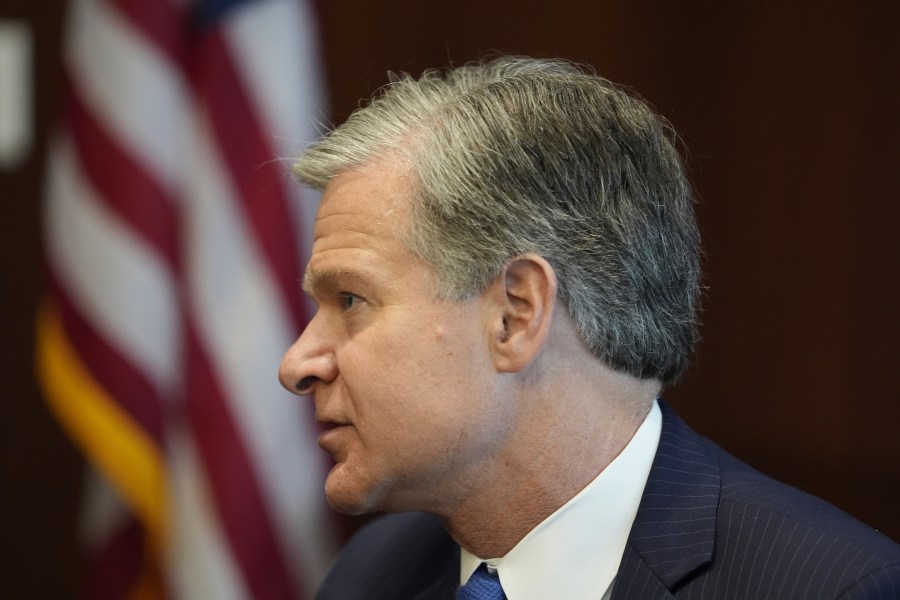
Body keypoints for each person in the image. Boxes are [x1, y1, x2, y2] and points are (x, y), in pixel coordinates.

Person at [279, 56, 900, 599]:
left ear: (515, 314)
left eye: (352, 300)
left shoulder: (824, 586)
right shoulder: (368, 574)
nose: (297, 364)